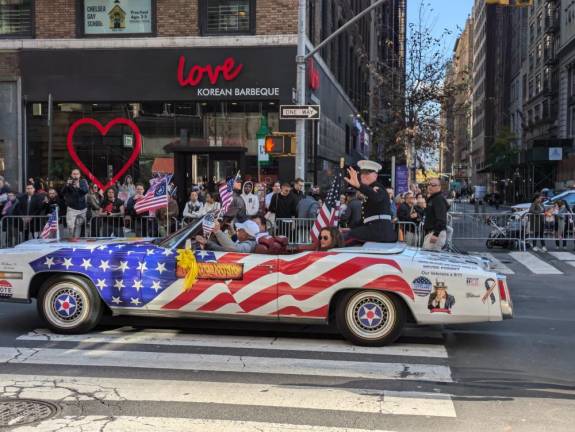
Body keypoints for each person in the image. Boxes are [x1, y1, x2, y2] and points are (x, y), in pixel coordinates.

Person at [343, 160, 396, 244]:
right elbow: (366, 218)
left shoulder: (377, 187)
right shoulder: (368, 190)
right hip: (374, 230)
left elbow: (377, 197)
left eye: (367, 173)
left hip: (379, 231)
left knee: (344, 238)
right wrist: (352, 228)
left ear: (375, 175)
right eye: (362, 173)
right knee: (350, 236)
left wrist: (359, 186)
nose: (363, 176)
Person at [422, 178, 449, 251]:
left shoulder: (438, 199)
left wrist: (436, 234)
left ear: (439, 187)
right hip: (431, 233)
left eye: (433, 185)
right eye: (429, 184)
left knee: (429, 259)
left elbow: (441, 218)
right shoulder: (433, 198)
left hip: (435, 233)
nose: (430, 186)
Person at [61, 169, 89, 237]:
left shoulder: (83, 182)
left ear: (79, 175)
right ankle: (71, 238)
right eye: (74, 174)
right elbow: (62, 192)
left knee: (78, 225)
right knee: (71, 226)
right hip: (72, 208)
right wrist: (67, 185)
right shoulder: (68, 182)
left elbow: (85, 191)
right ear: (71, 175)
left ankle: (75, 237)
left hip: (82, 208)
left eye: (77, 174)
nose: (75, 175)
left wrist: (78, 187)